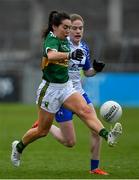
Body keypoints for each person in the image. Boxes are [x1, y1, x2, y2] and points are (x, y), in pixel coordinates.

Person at [11, 11, 122, 168]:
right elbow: (51, 55)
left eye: (71, 28)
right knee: (42, 131)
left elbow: (82, 65)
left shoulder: (69, 41)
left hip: (66, 87)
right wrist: (70, 55)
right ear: (55, 27)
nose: (69, 31)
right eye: (66, 27)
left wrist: (94, 68)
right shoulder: (52, 38)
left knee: (86, 111)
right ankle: (18, 147)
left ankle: (108, 135)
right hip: (50, 90)